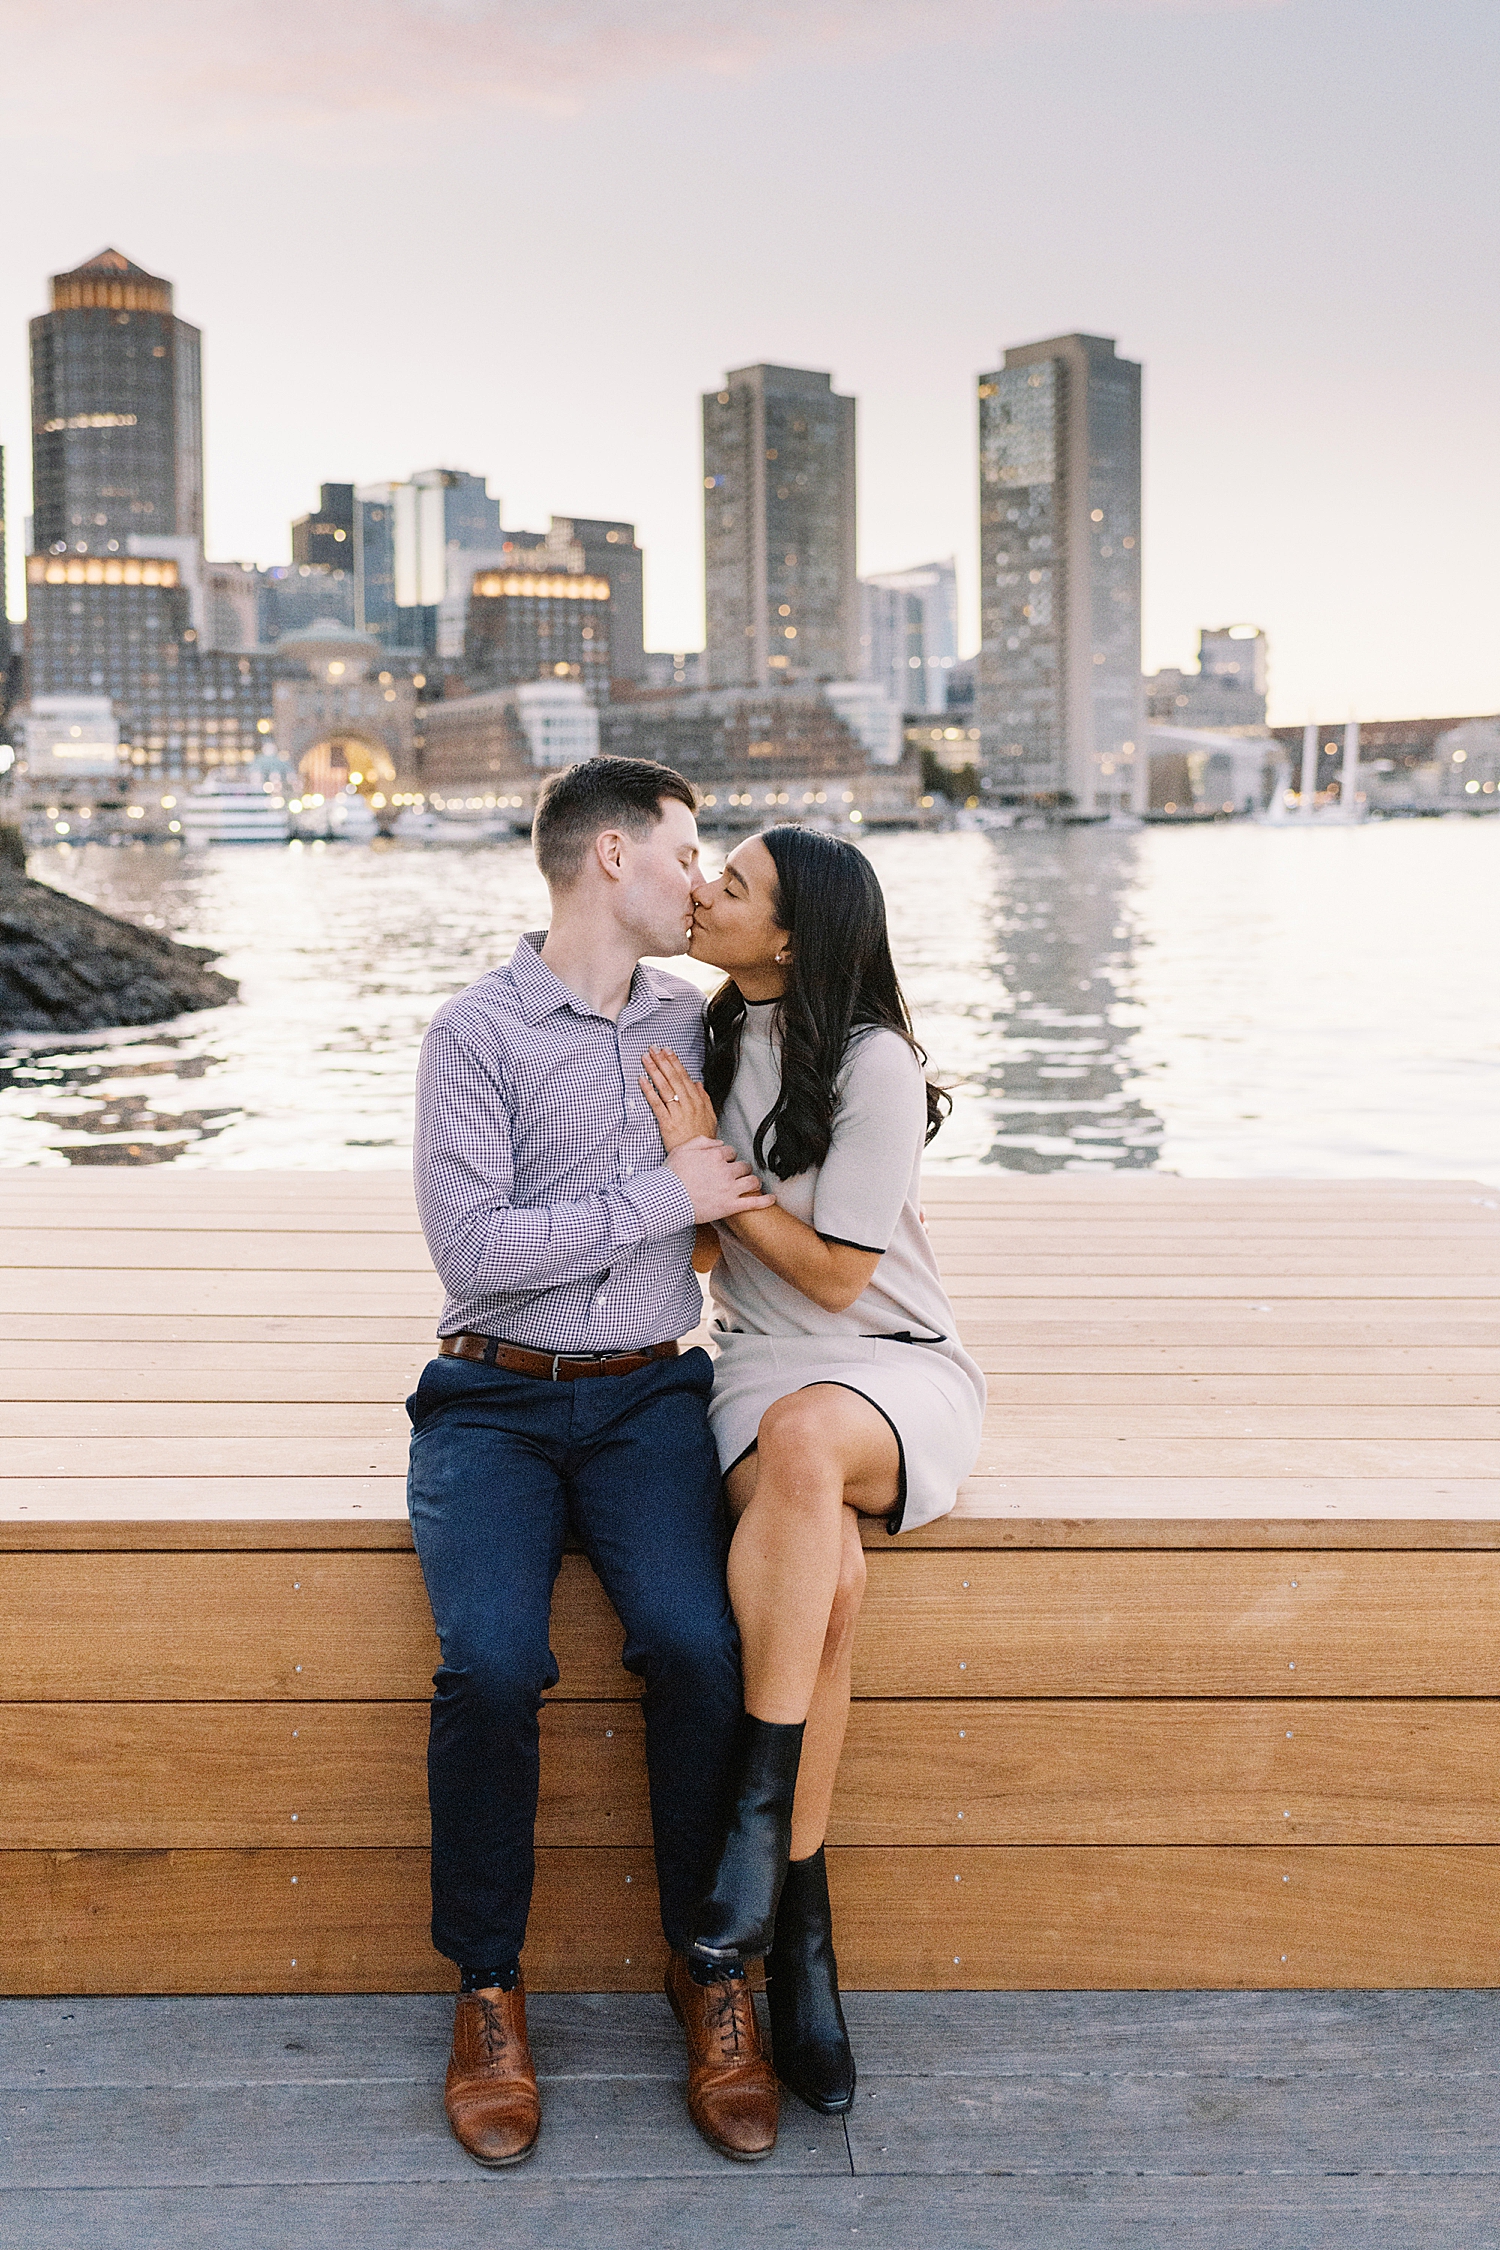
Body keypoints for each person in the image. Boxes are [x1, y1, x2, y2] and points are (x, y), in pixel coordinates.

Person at [406, 758, 785, 2171]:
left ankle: (714, 1971)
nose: (701, 880)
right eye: (688, 851)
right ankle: (488, 1991)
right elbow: (476, 1259)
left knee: (697, 1642)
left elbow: (781, 1154)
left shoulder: (701, 1019)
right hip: (490, 1402)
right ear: (612, 857)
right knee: (493, 1661)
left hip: (646, 1401)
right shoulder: (477, 1034)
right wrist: (660, 1197)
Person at [638, 824, 986, 2116]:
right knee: (823, 1572)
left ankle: (746, 1861)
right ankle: (798, 1946)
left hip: (891, 1365)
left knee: (806, 1445)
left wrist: (713, 1187)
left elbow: (841, 1272)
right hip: (761, 1367)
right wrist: (697, 1185)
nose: (704, 892)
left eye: (731, 885)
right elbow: (731, 1273)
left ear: (788, 934)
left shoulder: (879, 1061)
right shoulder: (721, 1033)